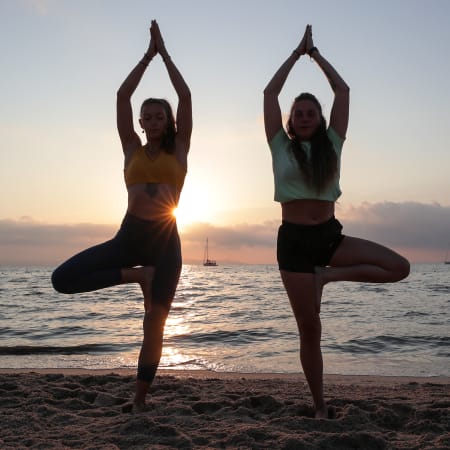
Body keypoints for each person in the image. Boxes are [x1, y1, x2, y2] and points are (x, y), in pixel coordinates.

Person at [263, 25, 409, 418]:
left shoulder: (332, 144)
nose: (305, 116)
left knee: (400, 267)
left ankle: (327, 276)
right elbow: (269, 93)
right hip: (293, 242)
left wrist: (317, 56)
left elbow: (343, 92)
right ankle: (319, 405)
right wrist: (295, 56)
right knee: (310, 330)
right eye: (300, 113)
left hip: (330, 237)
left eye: (311, 112)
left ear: (320, 118)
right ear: (291, 119)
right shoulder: (279, 144)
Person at [51, 20, 192, 411]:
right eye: (147, 115)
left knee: (155, 325)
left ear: (168, 121)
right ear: (141, 123)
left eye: (159, 114)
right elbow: (121, 95)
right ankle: (135, 276)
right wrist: (147, 56)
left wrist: (166, 55)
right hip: (129, 236)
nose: (152, 119)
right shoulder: (130, 147)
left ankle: (140, 399)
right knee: (61, 280)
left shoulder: (180, 149)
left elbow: (185, 94)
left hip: (166, 241)